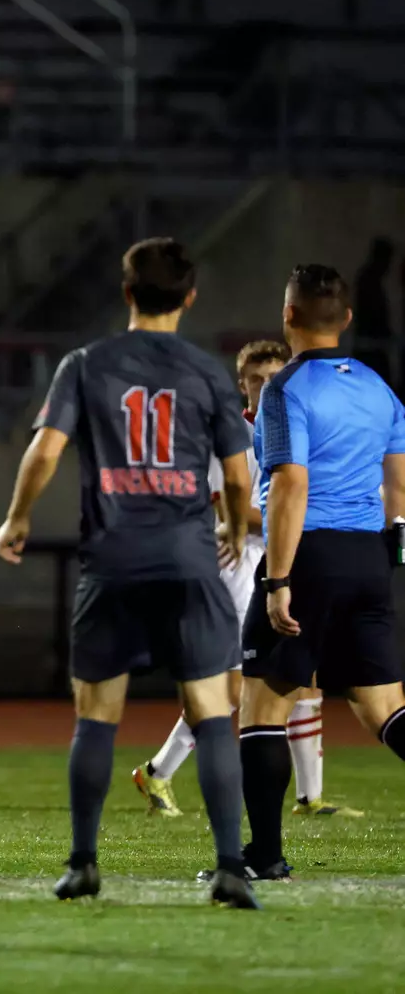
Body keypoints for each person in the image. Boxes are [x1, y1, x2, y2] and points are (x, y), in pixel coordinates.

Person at [0, 237, 259, 909]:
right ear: (190, 297)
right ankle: (230, 868)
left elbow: (44, 450)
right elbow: (235, 474)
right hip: (188, 561)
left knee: (96, 718)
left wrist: (16, 518)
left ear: (125, 291)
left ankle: (83, 863)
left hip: (112, 561)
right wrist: (230, 522)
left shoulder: (85, 364)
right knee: (210, 712)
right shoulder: (205, 372)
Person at [134, 340, 362, 819]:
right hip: (236, 568)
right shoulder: (231, 435)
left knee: (305, 681)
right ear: (243, 385)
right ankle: (157, 771)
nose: (267, 386)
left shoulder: (292, 428)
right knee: (237, 690)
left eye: (275, 377)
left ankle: (309, 797)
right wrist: (298, 517)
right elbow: (234, 509)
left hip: (281, 563)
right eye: (257, 379)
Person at [235, 265, 405, 881]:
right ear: (349, 319)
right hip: (368, 554)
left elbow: (289, 484)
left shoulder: (284, 389)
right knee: (385, 709)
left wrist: (278, 581)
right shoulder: (378, 387)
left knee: (262, 707)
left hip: (309, 553)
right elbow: (398, 480)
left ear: (288, 316)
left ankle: (264, 857)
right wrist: (397, 546)